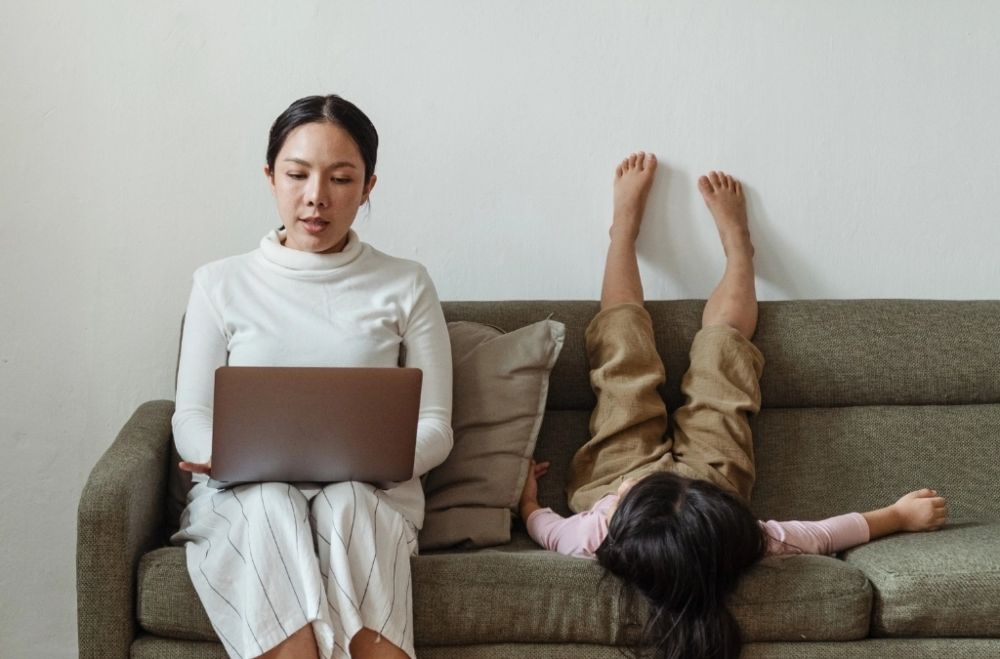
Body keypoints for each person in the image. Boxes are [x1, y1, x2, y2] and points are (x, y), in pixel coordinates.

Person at [518, 152, 948, 659]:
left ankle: (622, 236)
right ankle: (740, 251)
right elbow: (822, 534)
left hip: (609, 481)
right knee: (724, 361)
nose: (648, 476)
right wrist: (895, 516)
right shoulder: (736, 539)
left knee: (621, 361)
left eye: (640, 489)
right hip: (711, 485)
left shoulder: (595, 533)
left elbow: (544, 529)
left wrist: (526, 499)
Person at [171, 95, 453, 659]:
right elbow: (191, 414)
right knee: (272, 504)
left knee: (347, 503)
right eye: (297, 174)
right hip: (244, 495)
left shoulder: (407, 283)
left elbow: (436, 424)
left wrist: (379, 463)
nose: (315, 197)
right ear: (271, 175)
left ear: (369, 185)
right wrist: (219, 455)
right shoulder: (219, 283)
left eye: (341, 178)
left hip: (370, 496)